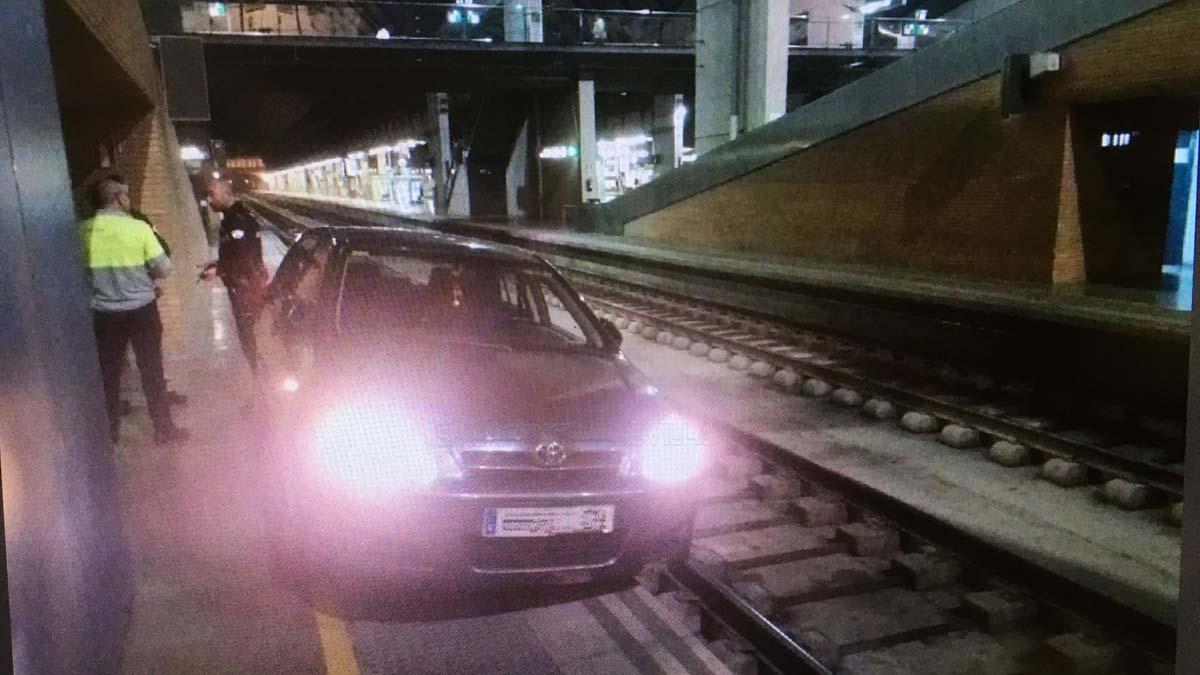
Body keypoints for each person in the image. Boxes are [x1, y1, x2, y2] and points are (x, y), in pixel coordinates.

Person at [80, 175, 189, 445]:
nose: (128, 200)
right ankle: (163, 430)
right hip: (142, 312)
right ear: (118, 198)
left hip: (104, 315)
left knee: (109, 373)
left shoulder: (82, 230)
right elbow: (164, 268)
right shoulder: (138, 228)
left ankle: (111, 432)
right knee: (151, 369)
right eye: (126, 196)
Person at [199, 178, 270, 372]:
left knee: (253, 342)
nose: (209, 199)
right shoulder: (230, 217)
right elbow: (236, 252)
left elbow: (245, 257)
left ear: (226, 193)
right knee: (250, 341)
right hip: (243, 287)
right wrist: (217, 264)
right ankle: (261, 390)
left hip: (247, 290)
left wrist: (219, 270)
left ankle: (263, 392)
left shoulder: (238, 219)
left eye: (212, 194)